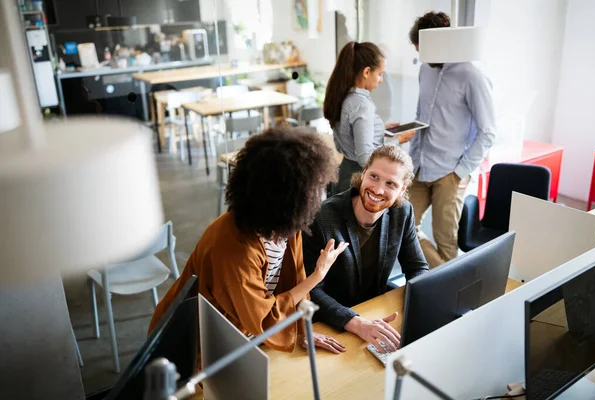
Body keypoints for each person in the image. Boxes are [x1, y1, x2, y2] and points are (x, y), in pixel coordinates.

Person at [148, 127, 350, 361]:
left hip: (240, 330)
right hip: (192, 345)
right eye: (314, 188)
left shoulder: (286, 225)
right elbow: (263, 318)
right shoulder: (234, 249)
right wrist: (317, 276)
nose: (320, 195)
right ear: (285, 197)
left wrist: (302, 329)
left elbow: (291, 280)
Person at [302, 145, 429, 353]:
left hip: (376, 311)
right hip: (332, 322)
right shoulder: (321, 218)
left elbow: (417, 267)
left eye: (390, 183)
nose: (378, 190)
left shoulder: (403, 212)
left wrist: (419, 309)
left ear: (402, 189)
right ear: (363, 173)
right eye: (374, 177)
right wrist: (356, 322)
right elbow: (310, 289)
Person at [407, 11, 496, 268]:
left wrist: (460, 172)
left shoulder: (472, 76)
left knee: (446, 241)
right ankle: (436, 278)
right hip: (420, 165)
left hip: (451, 171)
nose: (422, 57)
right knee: (401, 224)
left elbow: (488, 131)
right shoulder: (425, 70)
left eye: (424, 50)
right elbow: (420, 115)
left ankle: (446, 296)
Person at [323, 41, 414, 194]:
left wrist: (380, 129)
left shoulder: (343, 97)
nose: (381, 80)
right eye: (379, 74)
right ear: (366, 72)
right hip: (358, 180)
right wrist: (397, 140)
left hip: (344, 173)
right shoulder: (362, 105)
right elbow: (365, 158)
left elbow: (347, 138)